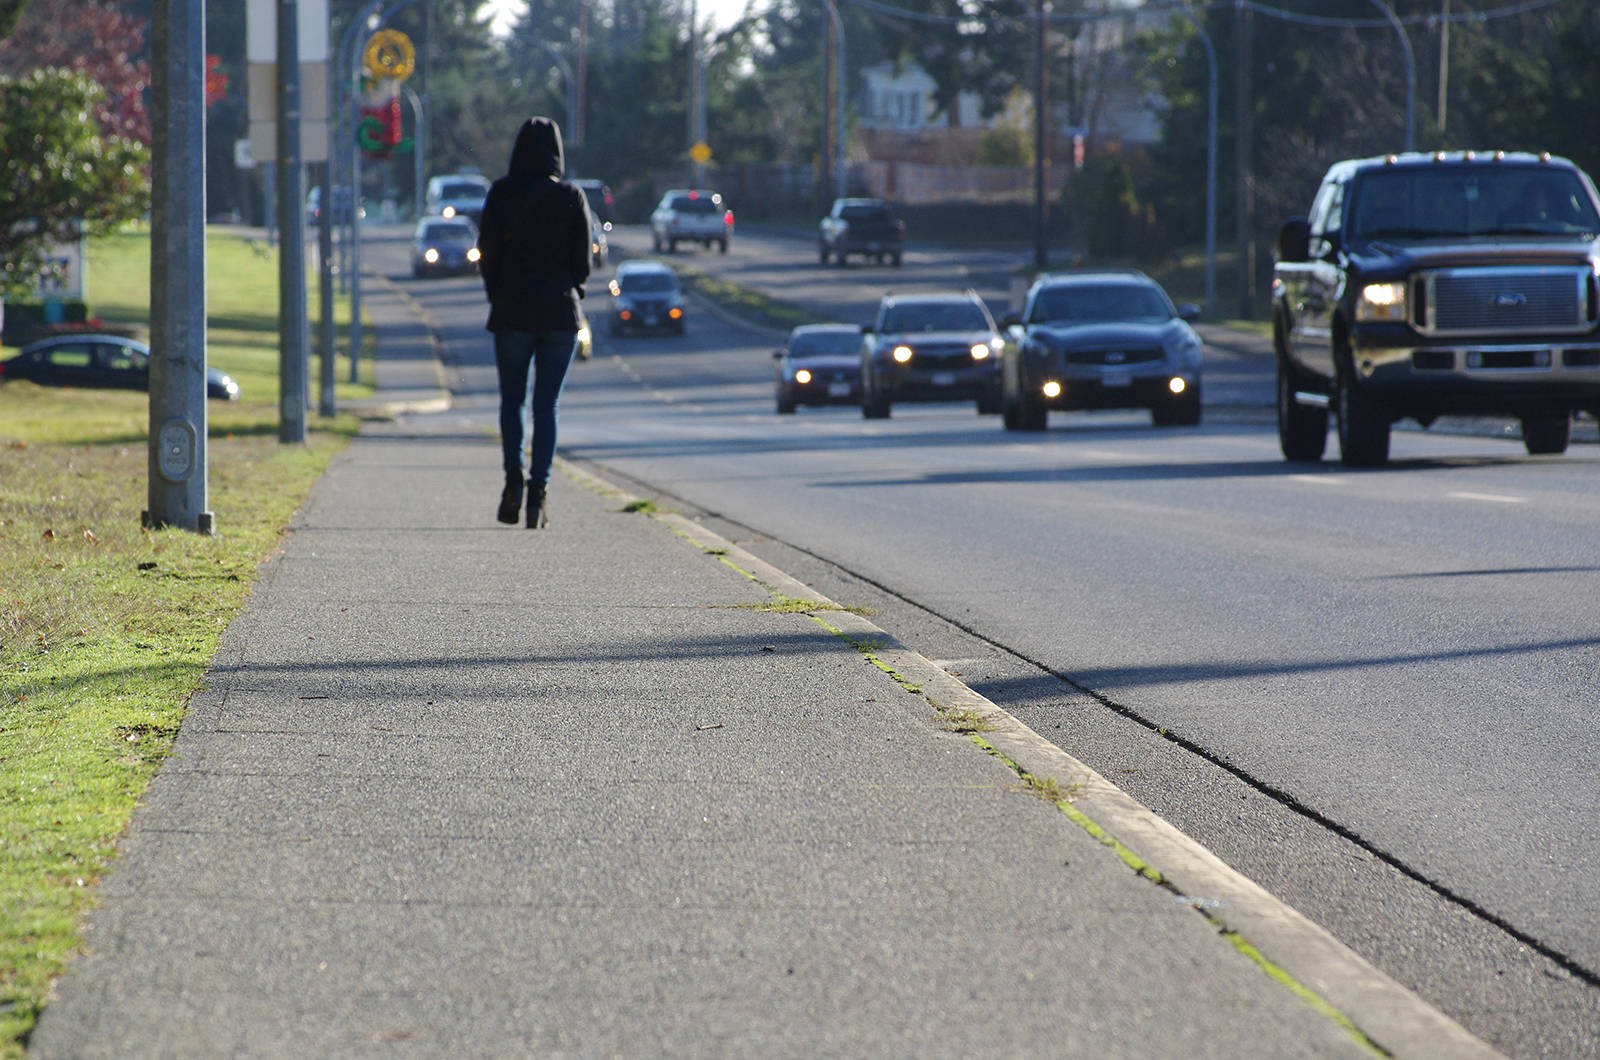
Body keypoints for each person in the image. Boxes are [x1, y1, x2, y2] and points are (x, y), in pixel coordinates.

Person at [477, 117, 592, 528]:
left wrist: (498, 293)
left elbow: (486, 252)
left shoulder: (501, 194)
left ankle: (512, 476)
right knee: (547, 406)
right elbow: (584, 262)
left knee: (512, 400)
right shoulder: (571, 196)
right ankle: (538, 492)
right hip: (559, 313)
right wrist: (573, 289)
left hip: (511, 312)